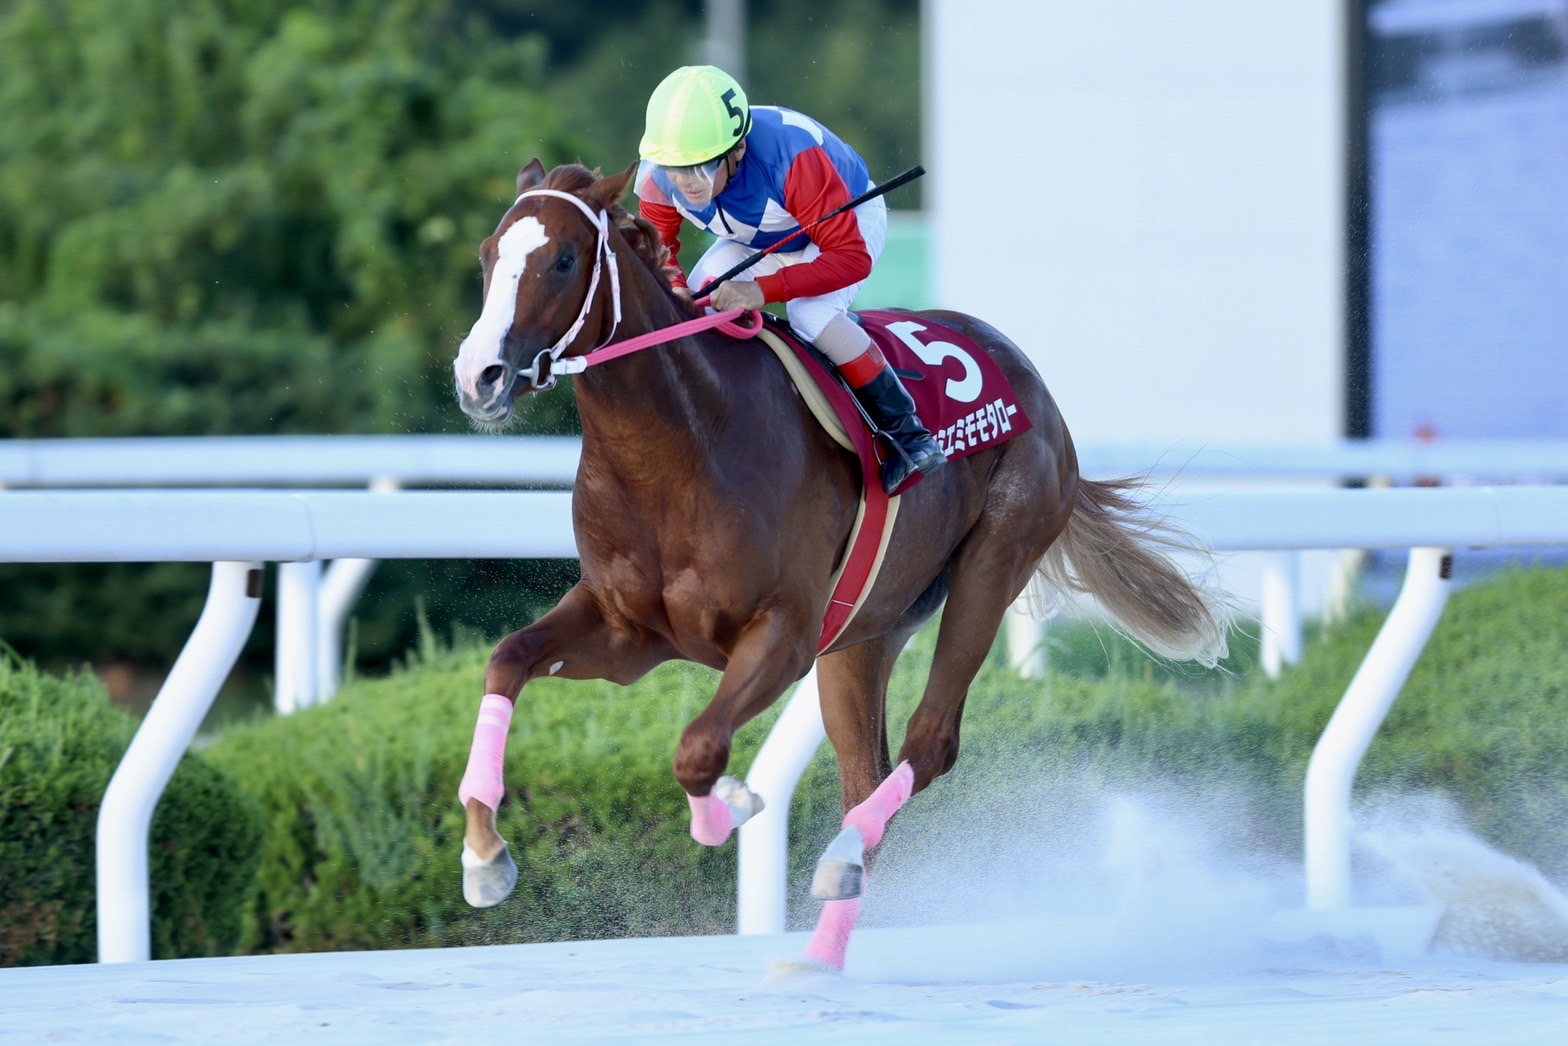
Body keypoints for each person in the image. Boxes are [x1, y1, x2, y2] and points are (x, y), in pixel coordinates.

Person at [634, 65, 946, 495]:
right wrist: (675, 287)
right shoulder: (660, 177)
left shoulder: (794, 159)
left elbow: (850, 259)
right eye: (673, 168)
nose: (685, 183)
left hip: (846, 226)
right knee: (700, 298)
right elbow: (659, 250)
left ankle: (908, 436)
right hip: (764, 235)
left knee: (809, 314)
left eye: (701, 169)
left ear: (738, 150)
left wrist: (761, 290)